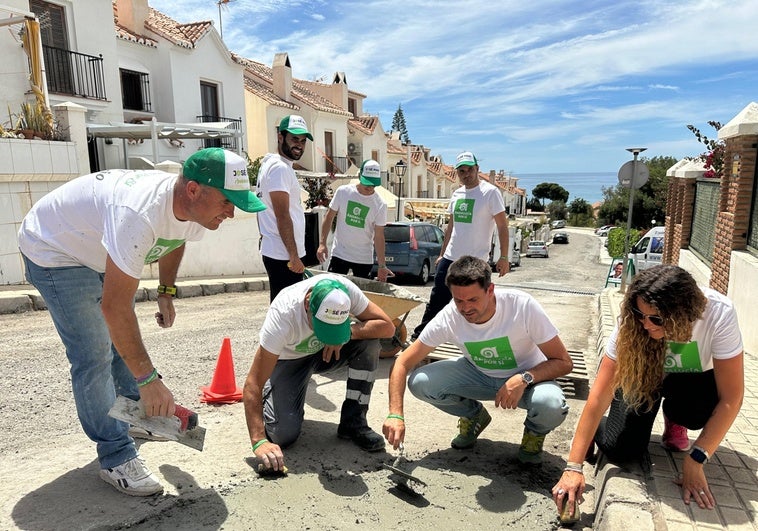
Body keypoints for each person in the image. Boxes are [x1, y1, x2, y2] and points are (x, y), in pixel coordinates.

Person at [17, 148, 266, 496]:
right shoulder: (138, 214)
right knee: (94, 356)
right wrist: (149, 380)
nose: (232, 211)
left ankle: (139, 416)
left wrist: (166, 290)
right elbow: (115, 309)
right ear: (193, 190)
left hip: (95, 249)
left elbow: (176, 239)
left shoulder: (195, 212)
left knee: (121, 348)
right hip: (53, 250)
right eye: (228, 200)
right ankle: (115, 455)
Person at [552, 265, 743, 516]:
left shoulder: (719, 313)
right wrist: (573, 466)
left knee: (698, 415)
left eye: (656, 319)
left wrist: (697, 458)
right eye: (640, 315)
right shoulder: (633, 324)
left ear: (682, 312)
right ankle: (596, 431)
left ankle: (675, 419)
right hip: (644, 376)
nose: (645, 324)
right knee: (621, 450)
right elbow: (599, 396)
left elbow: (732, 398)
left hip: (690, 379)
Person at [383, 255, 573, 464]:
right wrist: (395, 414)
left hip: (528, 381)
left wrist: (524, 377)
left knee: (551, 404)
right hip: (478, 376)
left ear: (490, 290)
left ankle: (534, 435)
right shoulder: (450, 317)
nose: (465, 309)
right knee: (420, 382)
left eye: (473, 299)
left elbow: (563, 362)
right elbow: (403, 362)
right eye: (459, 300)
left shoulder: (522, 306)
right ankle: (474, 416)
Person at [243, 274, 396, 472]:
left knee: (369, 343)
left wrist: (346, 333)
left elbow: (388, 327)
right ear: (308, 305)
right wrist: (258, 440)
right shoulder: (283, 314)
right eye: (322, 326)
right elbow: (252, 382)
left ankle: (354, 422)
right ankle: (274, 389)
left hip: (327, 352)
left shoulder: (344, 292)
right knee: (282, 435)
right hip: (290, 361)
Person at [410, 151, 510, 341]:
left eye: (470, 169)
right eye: (462, 171)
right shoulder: (457, 194)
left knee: (474, 304)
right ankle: (419, 338)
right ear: (457, 173)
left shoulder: (490, 193)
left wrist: (504, 257)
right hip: (450, 257)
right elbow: (451, 227)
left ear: (477, 169)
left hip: (475, 262)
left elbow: (502, 226)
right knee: (437, 299)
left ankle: (476, 342)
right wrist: (441, 254)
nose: (466, 174)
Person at [257, 114, 313, 301]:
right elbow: (282, 215)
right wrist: (294, 256)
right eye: (294, 139)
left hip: (279, 252)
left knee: (284, 310)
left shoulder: (273, 165)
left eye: (303, 141)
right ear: (280, 137)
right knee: (286, 312)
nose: (299, 145)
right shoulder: (280, 168)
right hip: (283, 255)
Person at [316, 159, 391, 281]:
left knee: (361, 296)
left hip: (363, 258)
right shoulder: (343, 192)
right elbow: (329, 217)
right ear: (359, 176)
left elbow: (379, 236)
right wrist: (322, 243)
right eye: (367, 182)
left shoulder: (380, 204)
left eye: (373, 184)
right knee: (333, 292)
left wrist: (382, 265)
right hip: (340, 254)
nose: (370, 187)